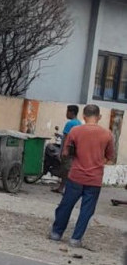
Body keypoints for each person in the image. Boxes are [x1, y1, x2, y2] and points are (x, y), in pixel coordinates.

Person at [49, 104, 115, 247]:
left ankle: (56, 233)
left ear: (84, 116)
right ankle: (75, 238)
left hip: (76, 176)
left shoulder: (75, 131)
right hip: (95, 179)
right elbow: (110, 157)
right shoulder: (107, 134)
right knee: (87, 210)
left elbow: (66, 152)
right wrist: (98, 161)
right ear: (99, 117)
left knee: (66, 205)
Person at [53, 105, 82, 194]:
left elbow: (65, 138)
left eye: (67, 111)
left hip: (68, 149)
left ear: (71, 112)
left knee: (65, 170)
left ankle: (63, 188)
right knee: (69, 169)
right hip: (75, 150)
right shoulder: (79, 123)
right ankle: (61, 187)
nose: (66, 113)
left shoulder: (69, 124)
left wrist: (61, 151)